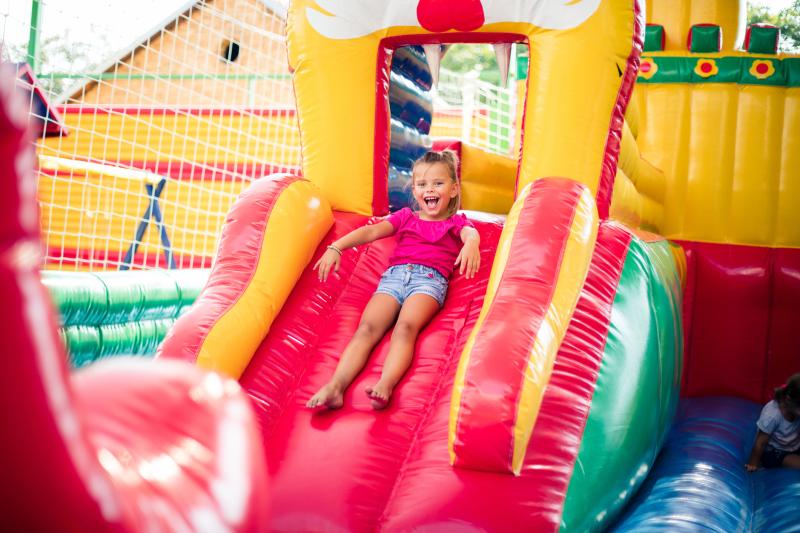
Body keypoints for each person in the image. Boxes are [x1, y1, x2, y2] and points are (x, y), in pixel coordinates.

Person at [306, 150, 480, 410]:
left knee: (405, 328)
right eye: (422, 184)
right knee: (366, 328)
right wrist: (336, 247)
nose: (429, 189)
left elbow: (470, 234)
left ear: (454, 190)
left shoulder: (455, 222)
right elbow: (373, 231)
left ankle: (385, 384)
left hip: (428, 281)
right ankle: (336, 386)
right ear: (415, 190)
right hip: (394, 278)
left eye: (438, 183)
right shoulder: (406, 217)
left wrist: (472, 245)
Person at [746, 373, 800, 471]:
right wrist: (752, 465)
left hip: (794, 445)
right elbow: (760, 443)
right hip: (775, 453)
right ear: (789, 399)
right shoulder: (772, 415)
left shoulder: (794, 409)